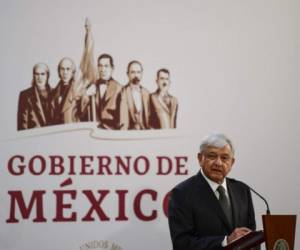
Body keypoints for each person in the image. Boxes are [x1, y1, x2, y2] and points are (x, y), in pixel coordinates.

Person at [168, 133, 257, 250]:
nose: (218, 163)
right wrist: (225, 241)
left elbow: (252, 236)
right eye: (212, 156)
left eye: (224, 158)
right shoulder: (182, 193)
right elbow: (182, 243)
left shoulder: (242, 190)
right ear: (200, 158)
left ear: (232, 162)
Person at [80, 53, 122, 129]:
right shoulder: (90, 86)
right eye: (100, 66)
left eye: (106, 66)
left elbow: (122, 117)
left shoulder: (119, 88)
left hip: (112, 132)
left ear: (112, 68)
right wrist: (86, 95)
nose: (102, 69)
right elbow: (81, 112)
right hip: (93, 131)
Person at [17, 63, 53, 130]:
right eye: (37, 74)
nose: (39, 77)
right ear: (33, 76)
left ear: (47, 75)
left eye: (42, 74)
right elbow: (22, 126)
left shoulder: (55, 93)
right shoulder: (25, 95)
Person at [119, 60, 150, 130]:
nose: (136, 75)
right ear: (128, 74)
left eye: (138, 72)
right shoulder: (122, 92)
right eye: (133, 72)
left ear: (142, 74)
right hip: (129, 134)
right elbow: (123, 121)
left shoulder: (146, 93)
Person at [52, 57, 79, 124]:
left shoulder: (78, 90)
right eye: (62, 69)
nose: (65, 72)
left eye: (68, 69)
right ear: (59, 71)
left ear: (73, 72)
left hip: (71, 131)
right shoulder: (53, 92)